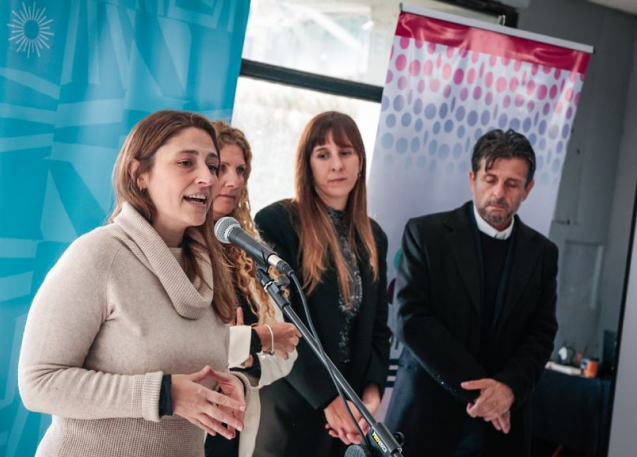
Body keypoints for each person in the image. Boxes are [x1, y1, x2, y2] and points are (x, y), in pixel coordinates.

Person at [18, 110, 250, 457]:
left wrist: (231, 386)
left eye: (212, 166)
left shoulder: (210, 267)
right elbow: (38, 383)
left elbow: (193, 367)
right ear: (139, 174)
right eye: (186, 163)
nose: (208, 178)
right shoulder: (99, 255)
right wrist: (163, 395)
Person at [385, 129, 559, 457]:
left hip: (501, 430)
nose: (499, 192)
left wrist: (509, 389)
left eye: (512, 184)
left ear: (528, 189)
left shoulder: (543, 254)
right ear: (472, 179)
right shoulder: (426, 234)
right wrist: (484, 394)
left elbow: (542, 333)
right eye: (490, 179)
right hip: (426, 418)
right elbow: (411, 320)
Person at [252, 111, 392, 457]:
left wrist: (371, 394)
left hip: (352, 421)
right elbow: (278, 322)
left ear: (360, 161)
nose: (337, 165)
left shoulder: (374, 236)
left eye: (345, 152)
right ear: (308, 165)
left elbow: (378, 328)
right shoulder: (276, 222)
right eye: (323, 154)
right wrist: (330, 399)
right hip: (292, 410)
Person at [205, 121, 300, 457]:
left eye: (241, 170)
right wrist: (255, 340)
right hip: (183, 422)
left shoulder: (250, 252)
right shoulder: (174, 247)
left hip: (235, 427)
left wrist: (251, 360)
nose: (233, 181)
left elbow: (287, 348)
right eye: (221, 168)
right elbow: (181, 344)